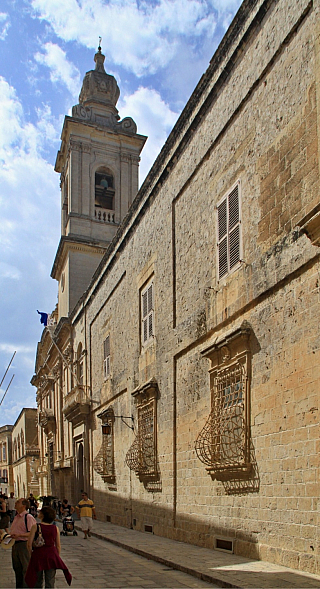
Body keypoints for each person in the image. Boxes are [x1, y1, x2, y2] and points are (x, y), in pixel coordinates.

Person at [25, 506, 72, 588]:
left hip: (38, 555)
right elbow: (58, 545)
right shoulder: (55, 528)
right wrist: (57, 556)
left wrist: (31, 554)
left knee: (37, 581)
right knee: (50, 581)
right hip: (51, 555)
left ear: (43, 515)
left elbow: (29, 544)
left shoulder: (35, 526)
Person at [10, 498, 37, 588]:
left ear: (23, 506)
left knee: (26, 568)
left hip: (24, 544)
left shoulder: (28, 517)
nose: (16, 503)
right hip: (15, 545)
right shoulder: (16, 517)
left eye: (18, 502)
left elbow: (32, 533)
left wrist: (19, 535)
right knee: (17, 568)